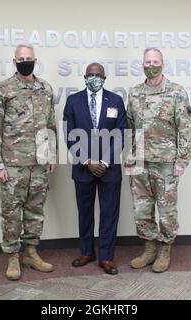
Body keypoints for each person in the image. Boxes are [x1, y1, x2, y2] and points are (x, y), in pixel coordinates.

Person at [0, 44, 57, 280]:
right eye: (21, 58)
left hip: (39, 164)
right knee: (11, 213)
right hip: (13, 165)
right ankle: (13, 257)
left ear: (36, 60)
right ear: (14, 62)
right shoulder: (2, 90)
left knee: (35, 211)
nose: (26, 61)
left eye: (29, 58)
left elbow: (51, 125)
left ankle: (32, 253)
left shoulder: (45, 88)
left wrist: (52, 155)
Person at [126, 48, 191, 273]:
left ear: (163, 64)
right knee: (141, 210)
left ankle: (164, 249)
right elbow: (129, 127)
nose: (151, 65)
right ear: (142, 65)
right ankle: (149, 249)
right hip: (139, 163)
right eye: (147, 62)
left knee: (167, 211)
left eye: (155, 61)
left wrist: (182, 161)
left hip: (166, 163)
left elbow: (186, 130)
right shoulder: (135, 93)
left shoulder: (176, 92)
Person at [63, 63, 127, 275]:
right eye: (90, 74)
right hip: (83, 168)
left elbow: (121, 134)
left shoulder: (116, 100)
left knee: (109, 214)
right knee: (85, 213)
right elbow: (69, 134)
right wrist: (87, 160)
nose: (94, 77)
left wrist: (105, 162)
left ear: (105, 77)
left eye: (98, 75)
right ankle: (86, 252)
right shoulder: (73, 101)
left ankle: (106, 257)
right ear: (84, 77)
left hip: (110, 169)